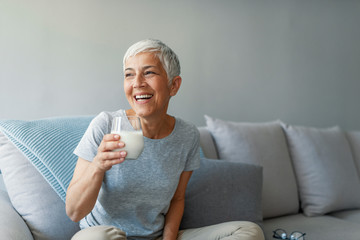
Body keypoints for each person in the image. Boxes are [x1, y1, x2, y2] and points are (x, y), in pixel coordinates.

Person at [66, 39, 264, 240]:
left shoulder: (187, 135)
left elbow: (177, 199)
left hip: (156, 237)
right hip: (105, 236)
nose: (137, 83)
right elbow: (74, 212)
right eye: (129, 75)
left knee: (249, 231)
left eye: (149, 72)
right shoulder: (106, 124)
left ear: (174, 85)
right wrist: (97, 166)